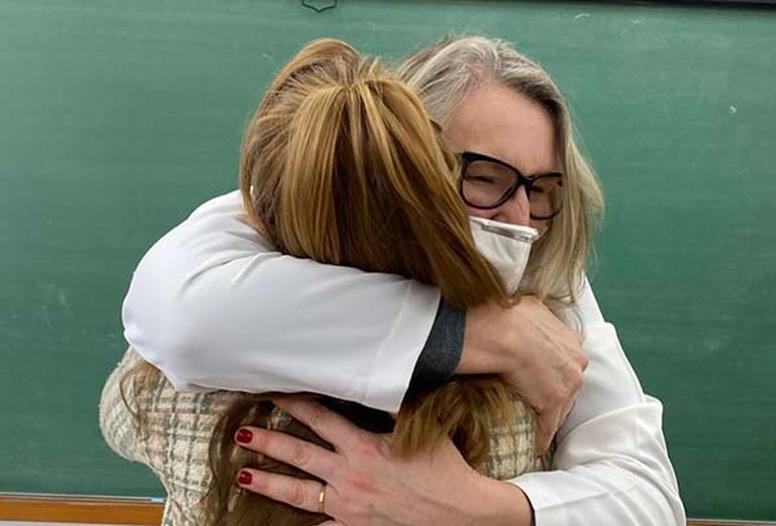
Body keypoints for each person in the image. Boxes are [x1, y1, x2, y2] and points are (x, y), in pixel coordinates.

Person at [119, 35, 685, 524]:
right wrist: (483, 335)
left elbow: (651, 498)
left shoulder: (549, 274)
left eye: (540, 190)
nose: (520, 220)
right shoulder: (281, 217)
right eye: (486, 178)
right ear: (405, 162)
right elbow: (179, 315)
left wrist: (484, 508)